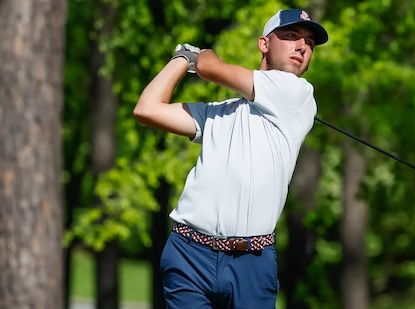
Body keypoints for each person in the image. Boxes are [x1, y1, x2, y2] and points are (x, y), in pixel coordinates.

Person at [134, 8, 329, 309]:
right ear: (264, 44)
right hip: (189, 254)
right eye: (291, 37)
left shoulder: (298, 93)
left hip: (251, 263)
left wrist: (201, 56)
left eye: (309, 43)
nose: (302, 47)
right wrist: (181, 60)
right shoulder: (219, 112)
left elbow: (212, 68)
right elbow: (146, 109)